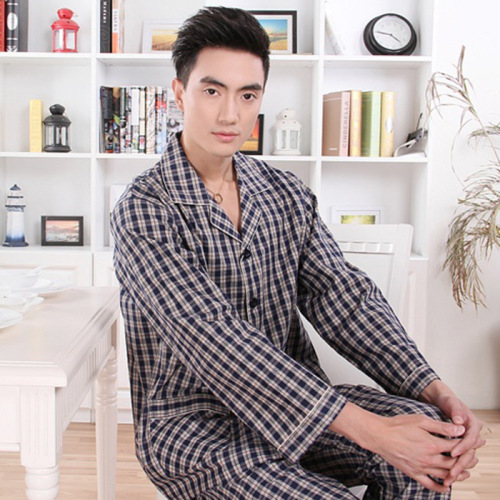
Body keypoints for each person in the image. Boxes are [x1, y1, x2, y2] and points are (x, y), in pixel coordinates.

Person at [111, 6, 484, 499]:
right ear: (179, 92)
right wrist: (372, 432)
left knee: (434, 442)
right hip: (196, 428)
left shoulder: (285, 194)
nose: (230, 114)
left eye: (248, 95)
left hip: (303, 414)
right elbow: (214, 339)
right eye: (212, 91)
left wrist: (434, 390)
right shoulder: (143, 210)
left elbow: (344, 299)